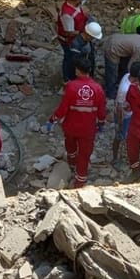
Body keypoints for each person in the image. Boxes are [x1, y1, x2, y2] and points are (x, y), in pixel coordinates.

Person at [48, 58, 107, 188]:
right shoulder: (97, 89)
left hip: (71, 126)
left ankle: (72, 163)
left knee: (71, 146)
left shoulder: (71, 86)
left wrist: (53, 118)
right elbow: (102, 110)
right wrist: (101, 123)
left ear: (77, 70)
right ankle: (80, 181)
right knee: (84, 154)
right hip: (88, 129)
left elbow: (63, 108)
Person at [103, 33, 140, 99]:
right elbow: (131, 66)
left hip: (113, 38)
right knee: (111, 73)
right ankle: (110, 94)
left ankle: (117, 84)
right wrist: (129, 79)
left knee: (119, 67)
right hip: (112, 48)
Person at [112, 61, 140, 165]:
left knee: (124, 135)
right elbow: (120, 108)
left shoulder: (127, 75)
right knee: (119, 136)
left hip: (128, 113)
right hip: (123, 116)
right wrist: (120, 124)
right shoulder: (125, 89)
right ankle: (115, 158)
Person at [57, 0, 89, 83]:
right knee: (70, 59)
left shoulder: (73, 5)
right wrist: (83, 33)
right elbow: (69, 32)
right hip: (68, 40)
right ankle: (68, 79)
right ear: (77, 0)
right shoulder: (67, 15)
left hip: (76, 33)